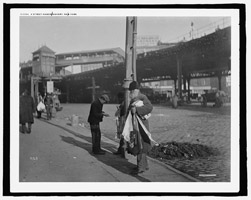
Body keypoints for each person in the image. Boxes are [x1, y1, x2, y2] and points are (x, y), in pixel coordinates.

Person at [127, 81, 153, 174]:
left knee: (141, 146)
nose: (130, 93)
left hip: (141, 127)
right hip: (136, 126)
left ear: (135, 90)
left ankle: (141, 167)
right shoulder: (134, 99)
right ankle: (143, 166)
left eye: (131, 91)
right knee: (139, 145)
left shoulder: (142, 97)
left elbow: (149, 107)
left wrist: (137, 109)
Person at [113, 91, 126, 158]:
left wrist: (119, 110)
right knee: (122, 137)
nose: (118, 99)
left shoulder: (124, 104)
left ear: (121, 97)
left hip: (123, 123)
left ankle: (122, 151)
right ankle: (120, 150)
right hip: (122, 123)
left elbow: (122, 114)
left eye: (119, 98)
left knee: (123, 137)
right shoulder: (123, 103)